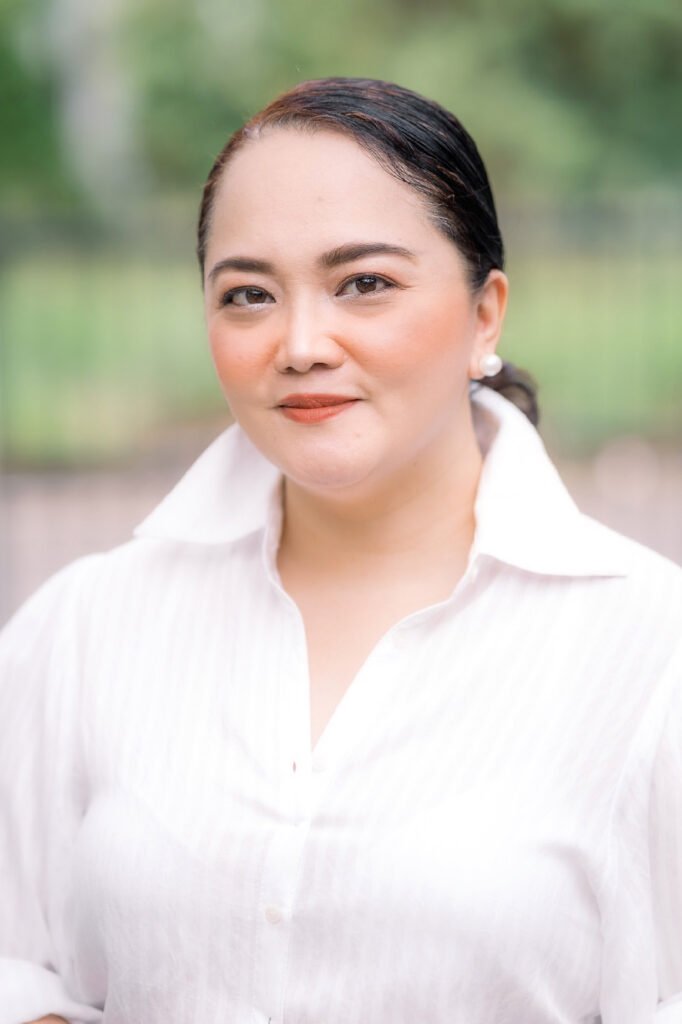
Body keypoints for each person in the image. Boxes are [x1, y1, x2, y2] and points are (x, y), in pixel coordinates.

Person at [1, 77, 681, 1024]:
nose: (301, 343)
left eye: (364, 283)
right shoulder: (83, 627)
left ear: (485, 314)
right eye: (248, 295)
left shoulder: (651, 651)